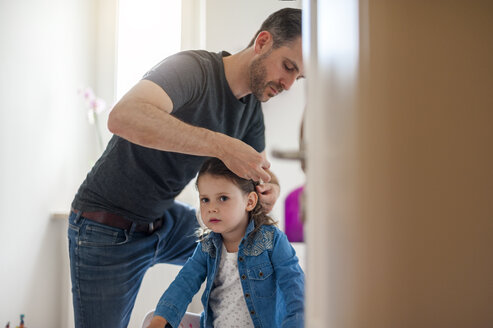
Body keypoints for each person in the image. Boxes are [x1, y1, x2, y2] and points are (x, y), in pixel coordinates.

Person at [68, 7, 304, 328]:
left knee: (250, 249)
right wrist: (222, 144)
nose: (289, 84)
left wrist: (269, 186)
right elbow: (123, 117)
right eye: (288, 67)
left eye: (298, 77)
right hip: (105, 226)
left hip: (164, 220)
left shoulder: (251, 112)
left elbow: (256, 169)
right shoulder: (192, 70)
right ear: (262, 42)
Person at [147, 158, 304, 328]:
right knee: (152, 319)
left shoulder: (271, 241)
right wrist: (159, 320)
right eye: (205, 199)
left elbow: (296, 291)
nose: (211, 208)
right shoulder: (207, 246)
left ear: (250, 201)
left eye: (223, 198)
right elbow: (184, 283)